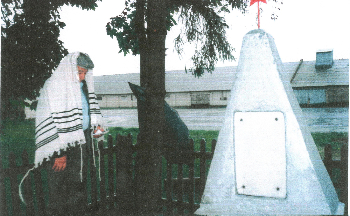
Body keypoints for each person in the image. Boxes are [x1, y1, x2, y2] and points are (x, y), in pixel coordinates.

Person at [20, 52, 105, 215]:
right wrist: (59, 153)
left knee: (78, 186)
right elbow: (51, 120)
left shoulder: (84, 87)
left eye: (85, 73)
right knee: (59, 191)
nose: (82, 77)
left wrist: (96, 126)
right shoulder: (54, 86)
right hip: (61, 147)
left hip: (81, 142)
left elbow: (90, 110)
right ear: (69, 69)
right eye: (79, 72)